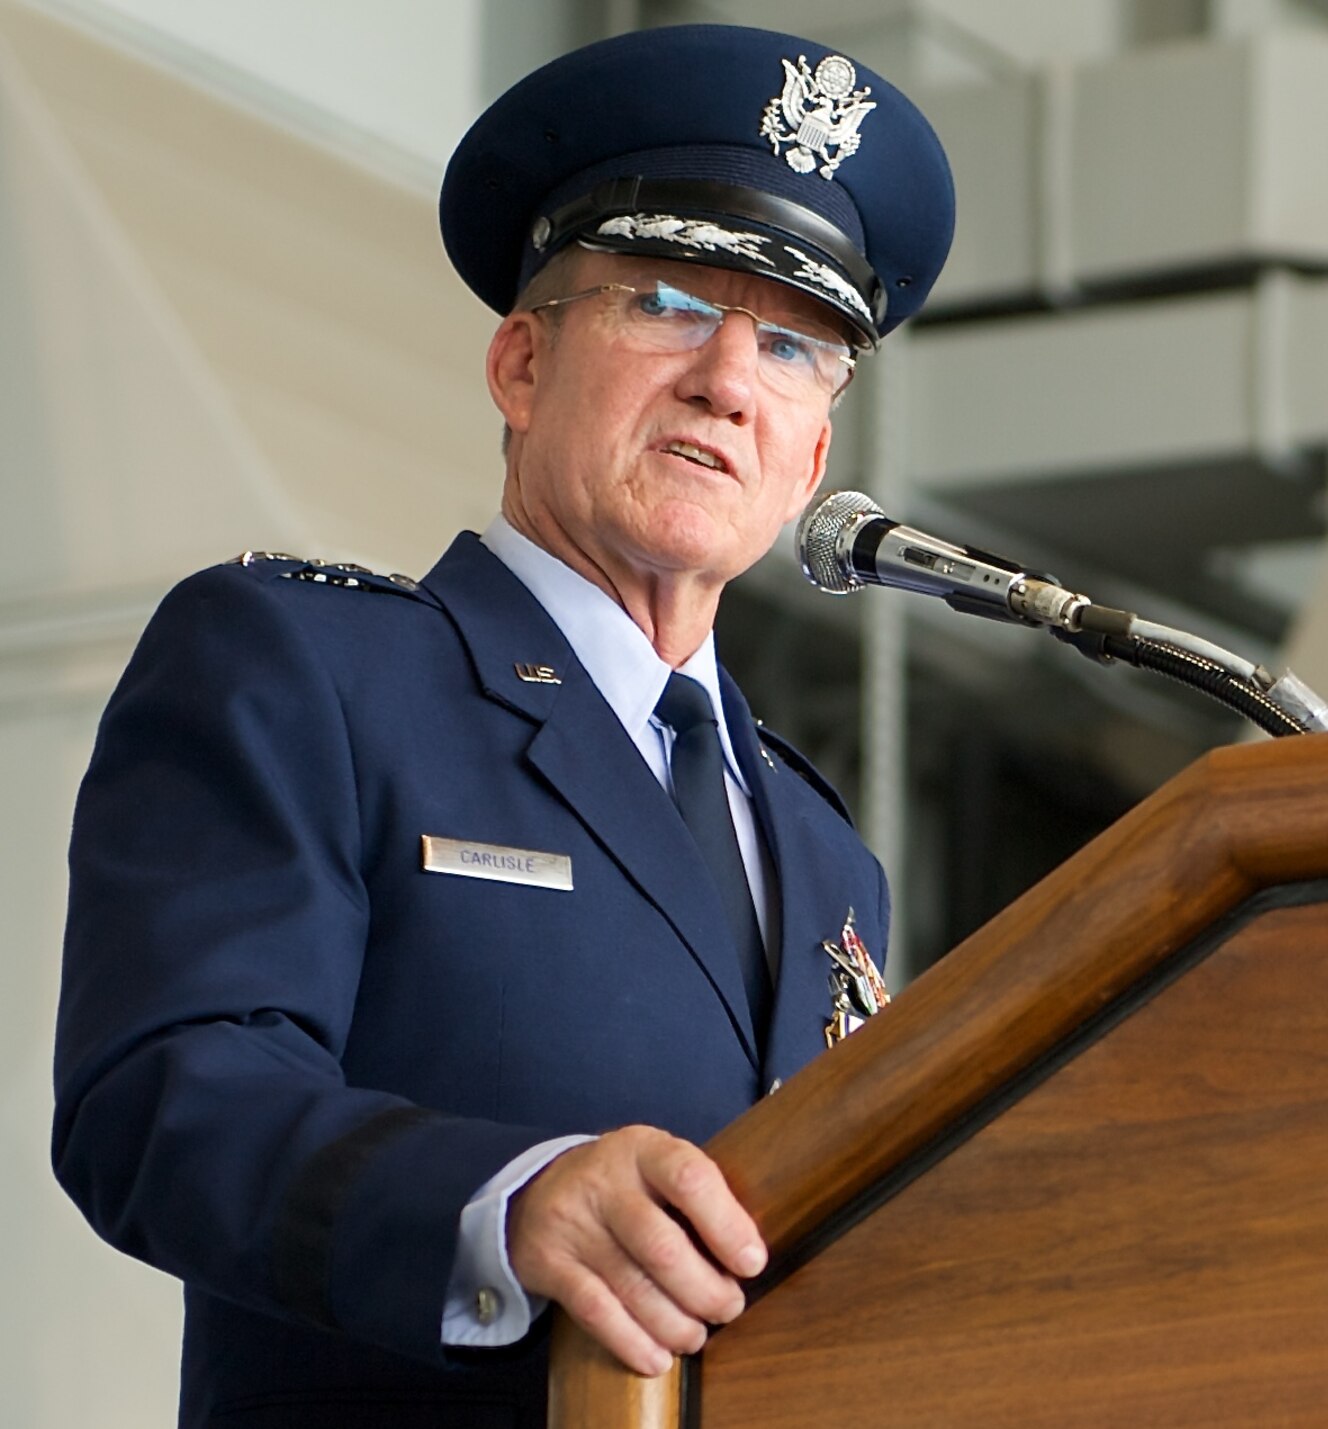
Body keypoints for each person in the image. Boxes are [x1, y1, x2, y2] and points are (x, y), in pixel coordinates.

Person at [51, 24, 954, 1429]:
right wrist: (507, 1203)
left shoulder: (825, 852)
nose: (728, 376)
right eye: (663, 301)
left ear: (814, 455)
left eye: (791, 344)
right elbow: (165, 1095)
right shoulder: (308, 669)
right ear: (521, 366)